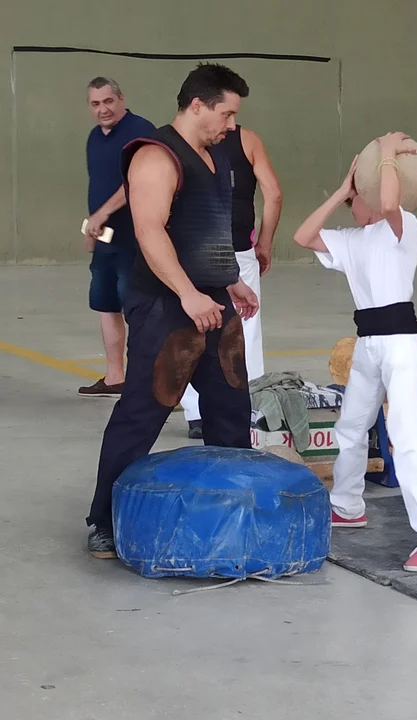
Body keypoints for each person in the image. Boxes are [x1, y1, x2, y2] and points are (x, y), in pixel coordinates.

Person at [86, 63, 260, 558]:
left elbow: (205, 228)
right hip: (167, 304)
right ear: (197, 105)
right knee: (144, 411)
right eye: (226, 114)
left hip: (213, 300)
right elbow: (150, 231)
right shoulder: (155, 156)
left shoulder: (215, 155)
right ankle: (104, 519)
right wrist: (187, 293)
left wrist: (230, 279)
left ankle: (231, 512)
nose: (231, 125)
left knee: (231, 409)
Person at [292, 132, 417, 573]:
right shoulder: (350, 240)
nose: (354, 206)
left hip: (401, 344)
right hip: (368, 345)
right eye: (352, 200)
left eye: (357, 199)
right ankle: (347, 506)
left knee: (407, 436)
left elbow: (388, 203)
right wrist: (341, 191)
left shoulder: (403, 227)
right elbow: (302, 236)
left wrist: (384, 154)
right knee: (350, 427)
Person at [179, 124, 284, 439]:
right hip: (237, 248)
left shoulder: (179, 138)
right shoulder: (247, 139)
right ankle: (249, 409)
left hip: (193, 250)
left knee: (195, 328)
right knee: (245, 329)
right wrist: (264, 243)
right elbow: (273, 193)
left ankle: (197, 414)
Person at [79, 77, 156, 397]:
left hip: (136, 241)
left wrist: (101, 215)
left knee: (138, 310)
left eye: (108, 101)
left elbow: (137, 184)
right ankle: (115, 377)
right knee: (105, 305)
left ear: (121, 99)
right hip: (106, 241)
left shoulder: (141, 132)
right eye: (95, 104)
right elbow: (98, 185)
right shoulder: (94, 138)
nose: (103, 109)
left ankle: (146, 383)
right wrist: (92, 227)